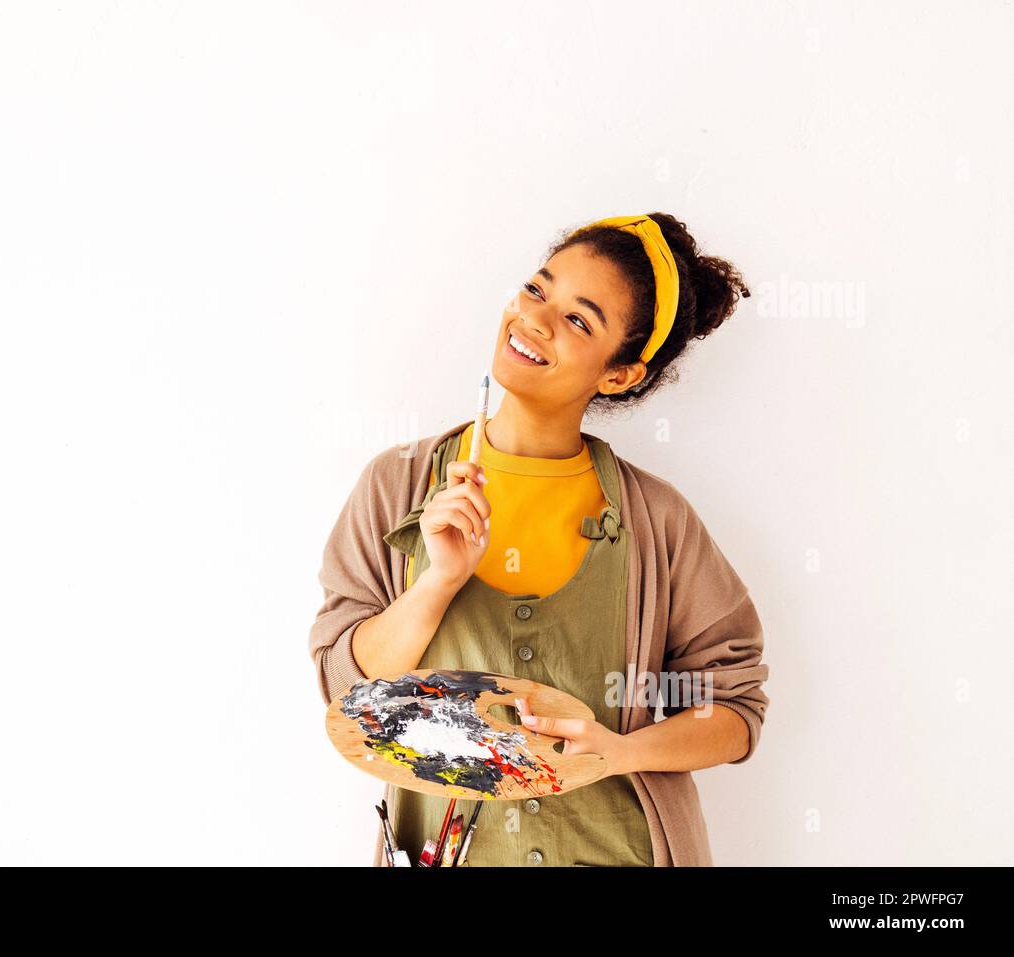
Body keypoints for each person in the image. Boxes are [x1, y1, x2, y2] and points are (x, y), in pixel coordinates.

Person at [310, 213, 771, 866]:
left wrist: (623, 752)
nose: (536, 320)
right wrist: (436, 582)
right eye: (536, 290)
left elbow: (733, 705)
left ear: (619, 375)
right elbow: (343, 689)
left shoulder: (658, 522)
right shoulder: (397, 487)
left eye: (580, 320)